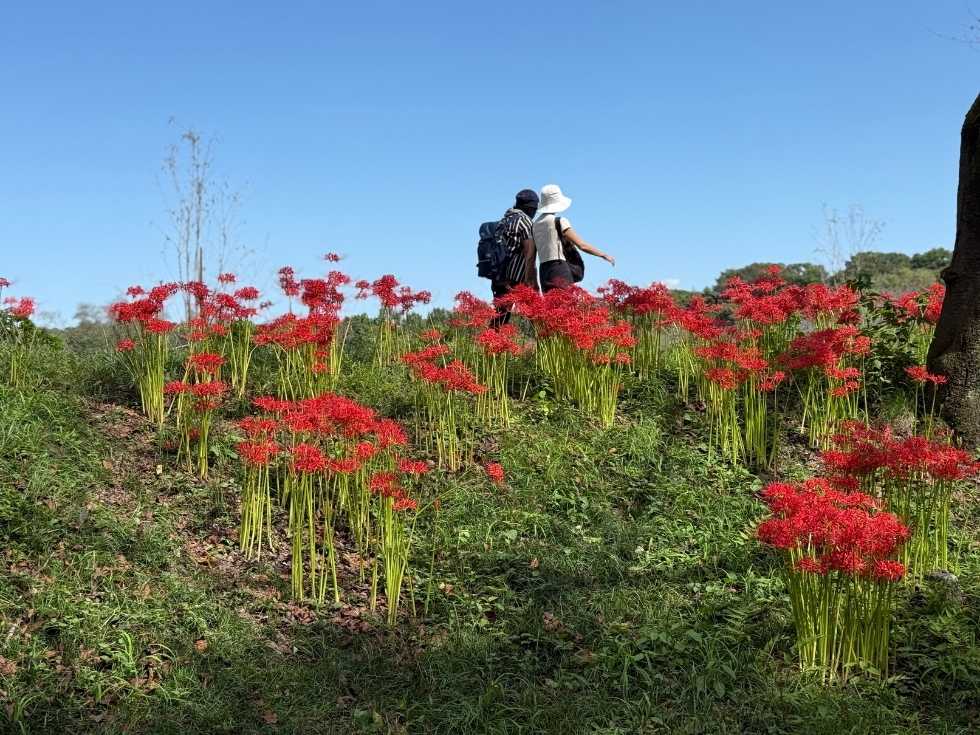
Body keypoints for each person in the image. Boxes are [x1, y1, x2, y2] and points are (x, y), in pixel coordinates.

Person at [523, 184, 615, 292]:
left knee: (549, 307)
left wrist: (530, 280)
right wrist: (603, 255)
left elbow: (530, 258)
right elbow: (582, 245)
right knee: (566, 306)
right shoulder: (559, 221)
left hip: (544, 271)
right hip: (559, 268)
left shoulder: (534, 225)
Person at [490, 189, 539, 327]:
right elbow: (529, 255)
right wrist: (532, 284)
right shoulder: (525, 221)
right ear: (528, 207)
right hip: (516, 279)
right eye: (534, 209)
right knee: (537, 316)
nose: (534, 213)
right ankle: (545, 347)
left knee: (499, 319)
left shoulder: (503, 220)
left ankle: (489, 346)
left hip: (499, 278)